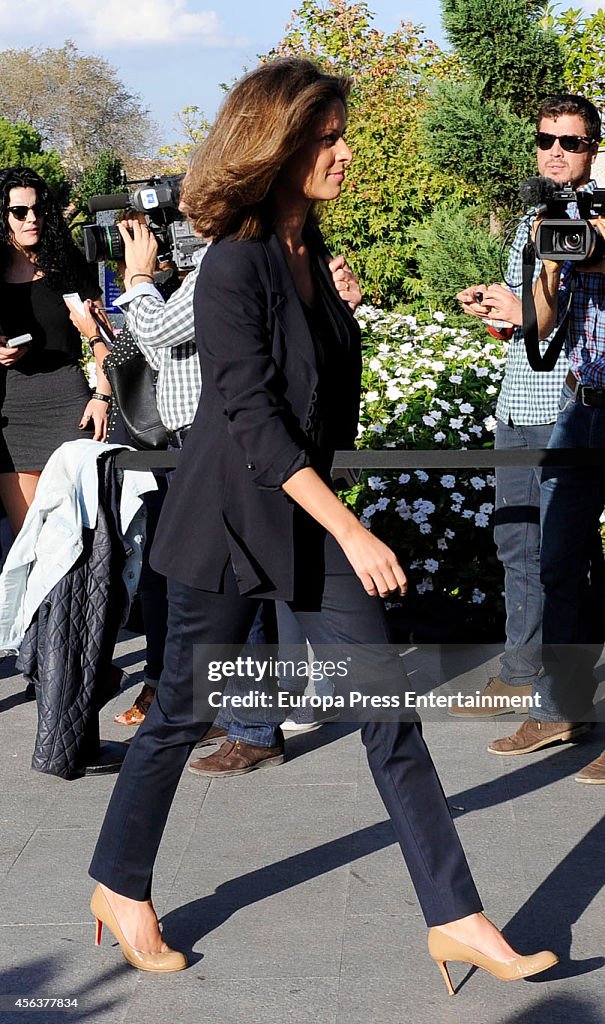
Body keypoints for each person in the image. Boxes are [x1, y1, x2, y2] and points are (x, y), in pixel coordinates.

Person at [87, 58, 557, 989]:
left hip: (304, 522)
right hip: (226, 525)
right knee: (180, 710)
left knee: (387, 715)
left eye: (343, 135)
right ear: (277, 144)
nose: (344, 152)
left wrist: (342, 318)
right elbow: (254, 423)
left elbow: (314, 405)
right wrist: (352, 528)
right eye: (326, 137)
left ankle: (457, 917)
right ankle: (119, 885)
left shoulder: (312, 256)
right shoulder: (231, 265)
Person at [104, 214, 360, 764]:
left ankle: (250, 727)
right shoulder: (224, 261)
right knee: (228, 589)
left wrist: (139, 278)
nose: (183, 223)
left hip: (228, 443)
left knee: (241, 585)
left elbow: (156, 331)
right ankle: (230, 719)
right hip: (201, 444)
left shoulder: (230, 259)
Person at [454, 94, 603, 721]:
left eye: (570, 142)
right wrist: (504, 308)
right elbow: (538, 313)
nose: (556, 153)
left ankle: (557, 702)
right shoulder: (535, 216)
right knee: (520, 541)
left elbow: (572, 286)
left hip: (571, 403)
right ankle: (533, 681)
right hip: (529, 391)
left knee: (562, 555)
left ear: (592, 149)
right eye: (547, 141)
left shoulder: (596, 213)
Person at [0, 167, 111, 535]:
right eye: (19, 212)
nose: (32, 219)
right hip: (12, 414)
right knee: (29, 544)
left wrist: (102, 396)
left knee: (81, 536)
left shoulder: (67, 266)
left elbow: (106, 338)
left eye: (38, 210)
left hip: (71, 405)